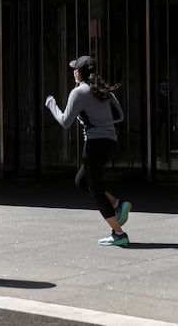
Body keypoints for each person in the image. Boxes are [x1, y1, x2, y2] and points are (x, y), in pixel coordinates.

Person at [44, 55, 132, 246]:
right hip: (110, 143)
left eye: (75, 69)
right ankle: (117, 204)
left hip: (94, 144)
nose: (73, 71)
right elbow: (120, 116)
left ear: (78, 73)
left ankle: (119, 234)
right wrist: (98, 119)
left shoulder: (79, 92)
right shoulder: (104, 91)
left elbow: (65, 122)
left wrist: (51, 104)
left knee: (95, 189)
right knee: (82, 181)